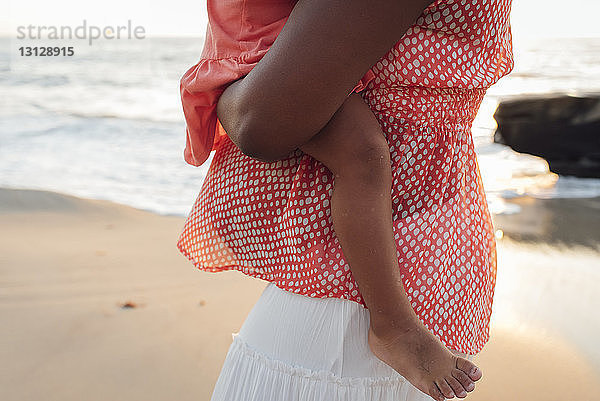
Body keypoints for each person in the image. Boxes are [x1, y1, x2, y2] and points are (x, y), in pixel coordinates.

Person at [177, 0, 514, 400]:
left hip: (409, 261)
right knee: (363, 157)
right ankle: (394, 328)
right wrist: (227, 89)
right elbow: (261, 123)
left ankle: (396, 327)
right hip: (356, 285)